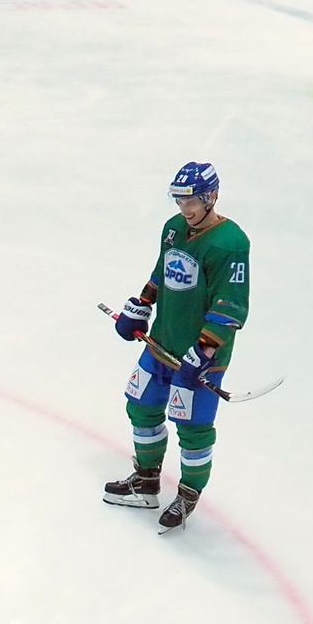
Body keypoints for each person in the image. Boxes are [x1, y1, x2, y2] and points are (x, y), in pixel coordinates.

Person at [103, 161, 250, 534]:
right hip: (162, 343)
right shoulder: (173, 230)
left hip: (200, 358)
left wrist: (204, 350)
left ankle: (188, 493)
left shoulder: (231, 243)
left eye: (193, 200)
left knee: (194, 427)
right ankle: (146, 481)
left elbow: (230, 305)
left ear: (212, 196)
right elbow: (161, 273)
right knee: (141, 405)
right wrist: (141, 305)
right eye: (180, 200)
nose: (185, 209)